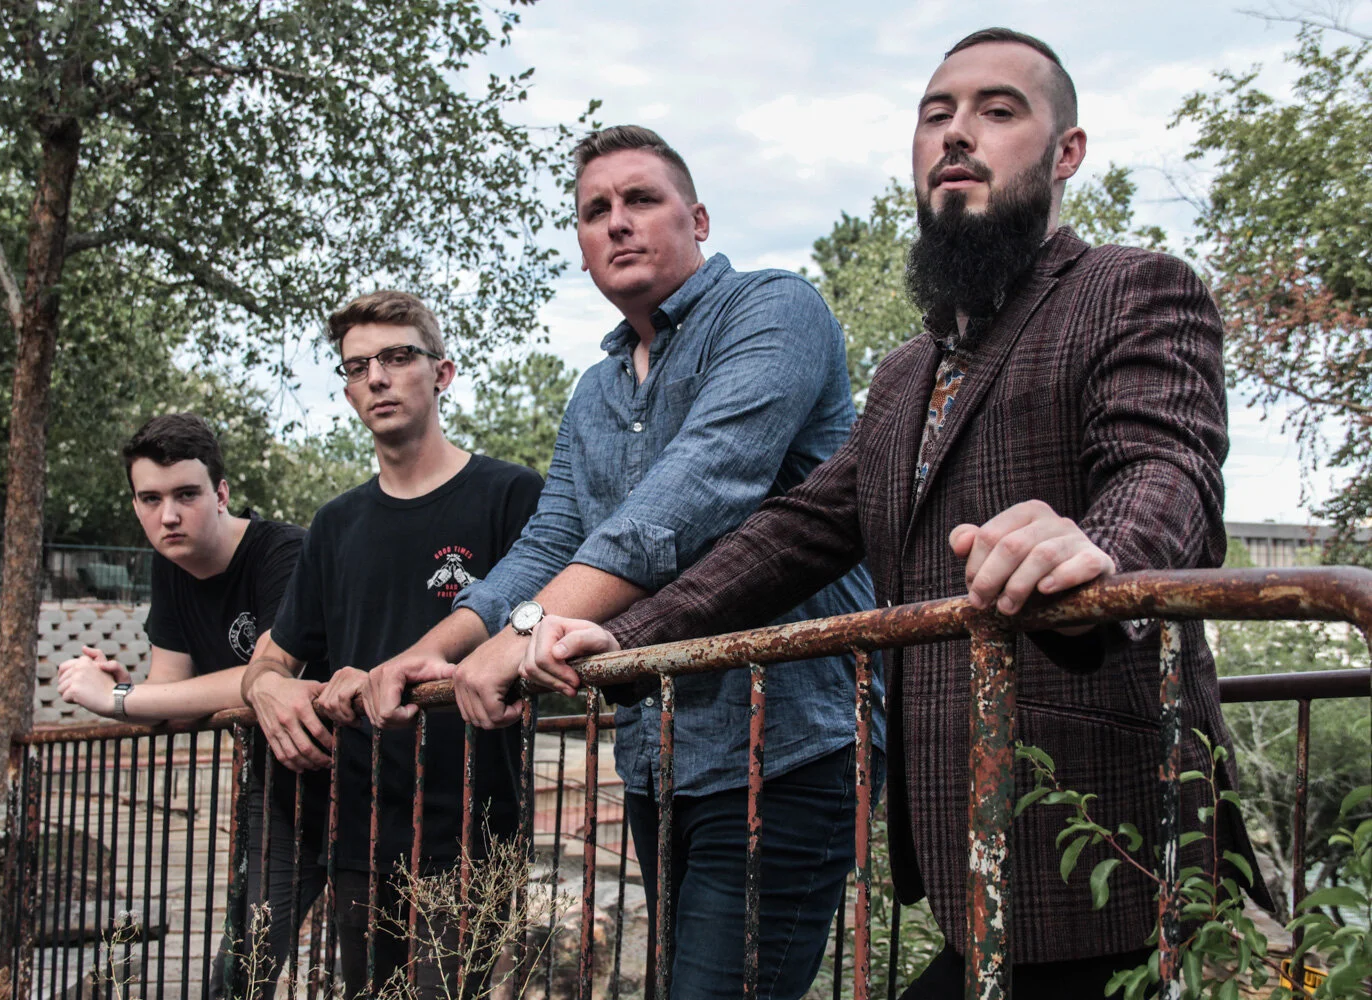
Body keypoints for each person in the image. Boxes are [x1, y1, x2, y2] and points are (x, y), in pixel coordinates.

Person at [527, 30, 1272, 999]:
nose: (958, 132)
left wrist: (1097, 548)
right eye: (935, 115)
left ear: (1067, 152)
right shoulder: (907, 373)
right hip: (970, 860)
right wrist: (625, 636)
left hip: (1114, 856)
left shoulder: (1131, 288)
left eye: (998, 110)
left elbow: (1167, 470)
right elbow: (792, 534)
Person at [353, 126, 884, 1000]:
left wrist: (519, 636)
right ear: (581, 246)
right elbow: (549, 537)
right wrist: (432, 650)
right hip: (658, 754)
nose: (618, 222)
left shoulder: (773, 309)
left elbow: (691, 492)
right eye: (595, 210)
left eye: (641, 199)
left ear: (698, 219)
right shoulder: (595, 390)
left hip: (786, 743)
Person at [238, 291, 544, 997]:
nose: (376, 376)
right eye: (357, 366)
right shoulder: (335, 524)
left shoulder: (511, 495)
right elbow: (274, 656)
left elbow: (539, 619)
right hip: (359, 832)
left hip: (473, 834)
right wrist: (267, 688)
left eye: (398, 356)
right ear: (348, 389)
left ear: (443, 373)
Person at [55, 412, 329, 998]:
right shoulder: (170, 566)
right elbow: (172, 694)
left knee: (381, 968)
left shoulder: (284, 552)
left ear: (221, 493)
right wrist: (131, 690)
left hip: (365, 780)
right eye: (150, 499)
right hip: (280, 793)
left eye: (186, 494)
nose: (169, 516)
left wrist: (123, 698)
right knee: (238, 976)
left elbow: (268, 678)